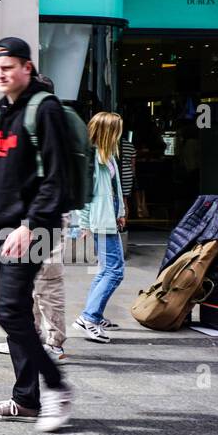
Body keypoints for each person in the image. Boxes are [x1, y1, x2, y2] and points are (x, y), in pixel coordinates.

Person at [0, 37, 73, 433]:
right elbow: (2, 176)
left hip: (34, 227)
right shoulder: (4, 111)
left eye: (8, 68)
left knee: (8, 310)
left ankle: (57, 387)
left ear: (27, 69)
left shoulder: (45, 109)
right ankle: (26, 400)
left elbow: (57, 177)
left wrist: (29, 225)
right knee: (14, 313)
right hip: (6, 228)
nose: (0, 75)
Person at [73, 112, 127, 342]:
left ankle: (93, 313)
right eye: (116, 130)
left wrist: (121, 212)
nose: (119, 135)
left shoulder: (108, 155)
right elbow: (83, 195)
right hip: (99, 219)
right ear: (108, 132)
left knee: (106, 269)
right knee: (115, 270)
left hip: (108, 216)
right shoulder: (91, 158)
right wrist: (84, 224)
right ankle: (90, 317)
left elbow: (116, 189)